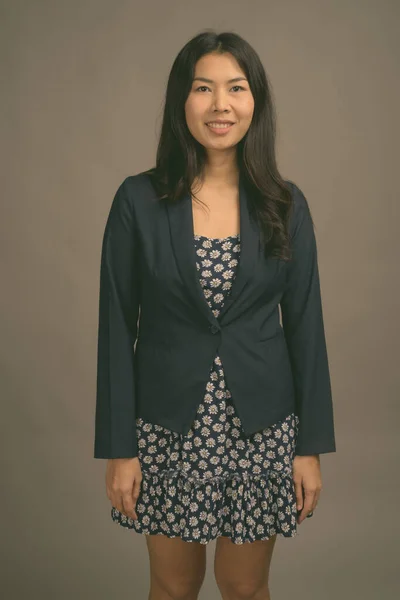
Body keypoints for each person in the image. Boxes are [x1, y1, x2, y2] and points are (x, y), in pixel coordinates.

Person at [94, 30, 336, 600]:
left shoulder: (286, 204)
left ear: (256, 102)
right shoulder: (138, 201)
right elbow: (114, 327)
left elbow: (306, 328)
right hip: (167, 429)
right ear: (183, 100)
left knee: (245, 587)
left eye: (236, 88)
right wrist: (119, 450)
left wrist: (310, 448)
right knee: (174, 586)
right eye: (203, 88)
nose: (220, 104)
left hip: (262, 427)